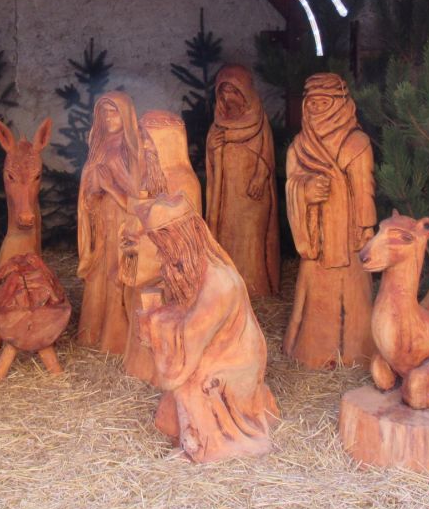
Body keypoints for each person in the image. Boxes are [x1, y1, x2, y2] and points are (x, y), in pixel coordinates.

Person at [126, 194, 279, 463]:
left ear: (182, 240)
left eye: (164, 246)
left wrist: (156, 324)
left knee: (192, 380)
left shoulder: (218, 283)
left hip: (233, 367)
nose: (161, 255)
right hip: (212, 353)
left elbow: (189, 342)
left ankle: (209, 447)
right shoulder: (192, 275)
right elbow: (185, 315)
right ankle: (190, 436)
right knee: (183, 389)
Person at [284, 73, 378, 369]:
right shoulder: (298, 147)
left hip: (349, 241)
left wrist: (366, 227)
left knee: (353, 295)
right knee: (316, 296)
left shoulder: (356, 143)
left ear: (340, 104)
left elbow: (365, 189)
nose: (315, 109)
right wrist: (304, 191)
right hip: (317, 244)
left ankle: (355, 352)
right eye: (311, 103)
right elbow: (291, 183)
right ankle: (312, 350)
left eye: (323, 103)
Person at [205, 64, 280, 298]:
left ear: (245, 91)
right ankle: (229, 292)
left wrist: (260, 176)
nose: (229, 97)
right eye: (224, 91)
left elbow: (267, 154)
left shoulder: (259, 122)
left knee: (252, 240)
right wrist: (212, 147)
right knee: (227, 240)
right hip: (228, 197)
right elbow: (211, 158)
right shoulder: (217, 124)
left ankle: (256, 290)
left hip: (252, 197)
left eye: (234, 91)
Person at [77, 91, 142, 354]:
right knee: (98, 274)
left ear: (125, 115)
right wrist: (92, 193)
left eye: (114, 112)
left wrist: (110, 188)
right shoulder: (99, 145)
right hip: (101, 221)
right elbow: (91, 185)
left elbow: (139, 199)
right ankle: (91, 331)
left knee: (117, 275)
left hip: (122, 223)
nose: (108, 118)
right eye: (104, 113)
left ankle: (115, 338)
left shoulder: (131, 149)